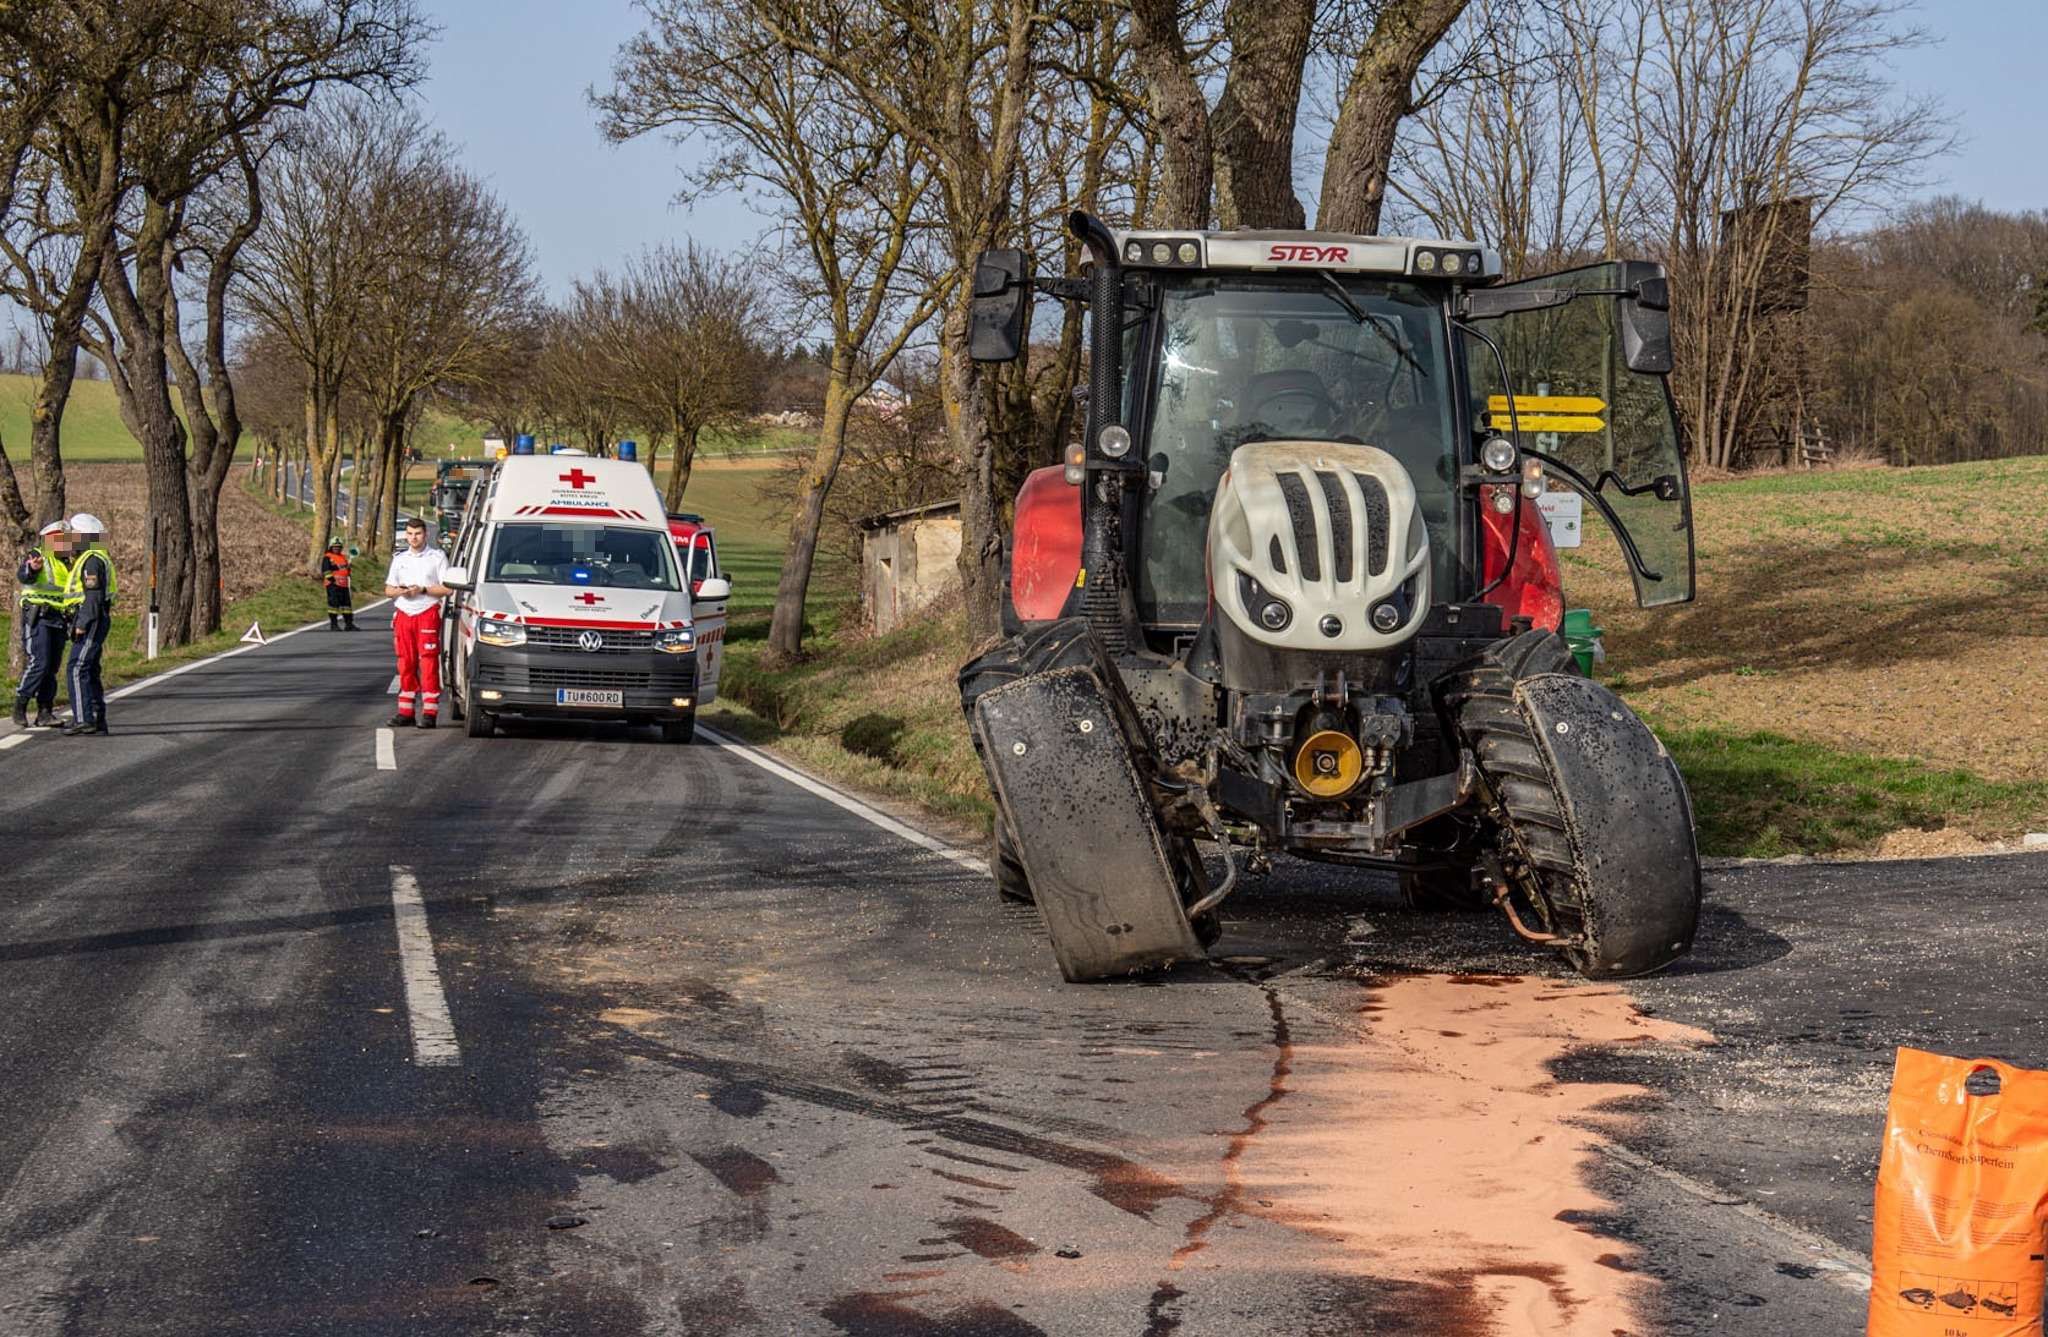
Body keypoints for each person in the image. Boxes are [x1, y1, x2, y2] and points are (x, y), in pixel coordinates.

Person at [384, 515, 450, 729]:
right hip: (404, 613)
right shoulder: (400, 559)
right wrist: (402, 591)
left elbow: (447, 588)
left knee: (428, 661)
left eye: (418, 534)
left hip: (427, 612)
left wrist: (422, 590)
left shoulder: (437, 557)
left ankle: (430, 712)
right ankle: (406, 711)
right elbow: (388, 590)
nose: (414, 538)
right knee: (405, 662)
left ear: (425, 535)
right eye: (410, 534)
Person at [12, 520, 70, 728]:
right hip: (39, 617)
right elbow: (24, 576)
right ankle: (20, 705)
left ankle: (45, 711)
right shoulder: (37, 555)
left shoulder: (65, 562)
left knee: (52, 667)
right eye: (60, 539)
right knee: (40, 662)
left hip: (58, 619)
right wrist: (32, 570)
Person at [60, 513, 114, 737]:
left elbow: (93, 597)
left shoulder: (91, 560)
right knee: (90, 669)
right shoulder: (90, 558)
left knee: (77, 667)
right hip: (92, 618)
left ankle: (84, 719)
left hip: (90, 619)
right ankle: (96, 719)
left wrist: (82, 623)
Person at [321, 538, 357, 631]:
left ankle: (349, 624)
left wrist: (348, 570)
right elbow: (326, 570)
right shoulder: (327, 557)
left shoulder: (343, 557)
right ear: (331, 547)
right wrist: (332, 581)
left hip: (344, 585)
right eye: (335, 547)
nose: (337, 548)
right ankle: (334, 625)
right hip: (333, 585)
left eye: (338, 547)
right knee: (334, 605)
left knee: (347, 606)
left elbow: (346, 570)